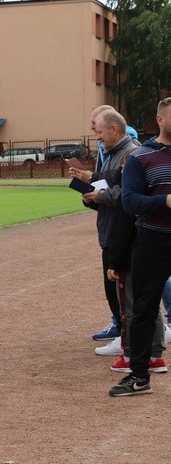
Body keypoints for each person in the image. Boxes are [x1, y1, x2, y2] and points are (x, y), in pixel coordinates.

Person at [109, 97, 171, 396]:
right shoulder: (140, 157)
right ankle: (139, 376)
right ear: (160, 119)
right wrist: (166, 201)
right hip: (153, 241)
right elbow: (130, 201)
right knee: (143, 310)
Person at [70, 108, 136, 353]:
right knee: (115, 289)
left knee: (125, 290)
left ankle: (129, 340)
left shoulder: (130, 154)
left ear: (114, 129)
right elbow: (109, 187)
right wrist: (90, 196)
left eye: (99, 131)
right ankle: (125, 334)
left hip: (123, 233)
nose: (97, 136)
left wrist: (101, 195)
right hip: (109, 230)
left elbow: (127, 194)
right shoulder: (110, 155)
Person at [105, 165, 167, 375]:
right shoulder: (151, 192)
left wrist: (114, 260)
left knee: (131, 309)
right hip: (147, 252)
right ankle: (156, 355)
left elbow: (122, 230)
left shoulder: (130, 196)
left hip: (133, 258)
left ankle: (131, 353)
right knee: (149, 304)